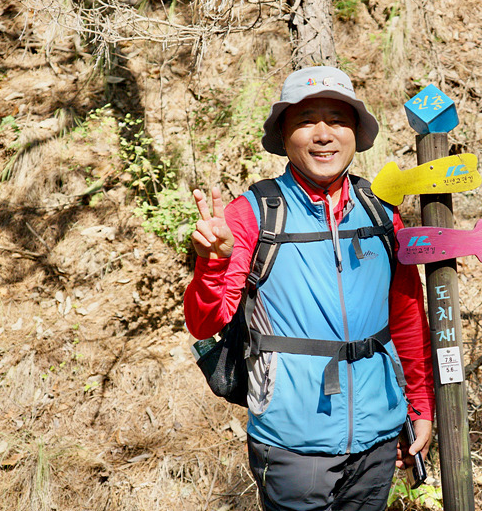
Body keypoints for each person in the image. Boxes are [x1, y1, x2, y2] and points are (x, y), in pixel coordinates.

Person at [183, 66, 434, 511]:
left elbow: (407, 316)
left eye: (337, 120)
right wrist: (213, 262)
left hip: (379, 434)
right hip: (291, 442)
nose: (323, 135)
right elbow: (205, 322)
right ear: (284, 135)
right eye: (305, 121)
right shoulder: (253, 213)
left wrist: (419, 405)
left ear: (356, 133)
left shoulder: (380, 212)